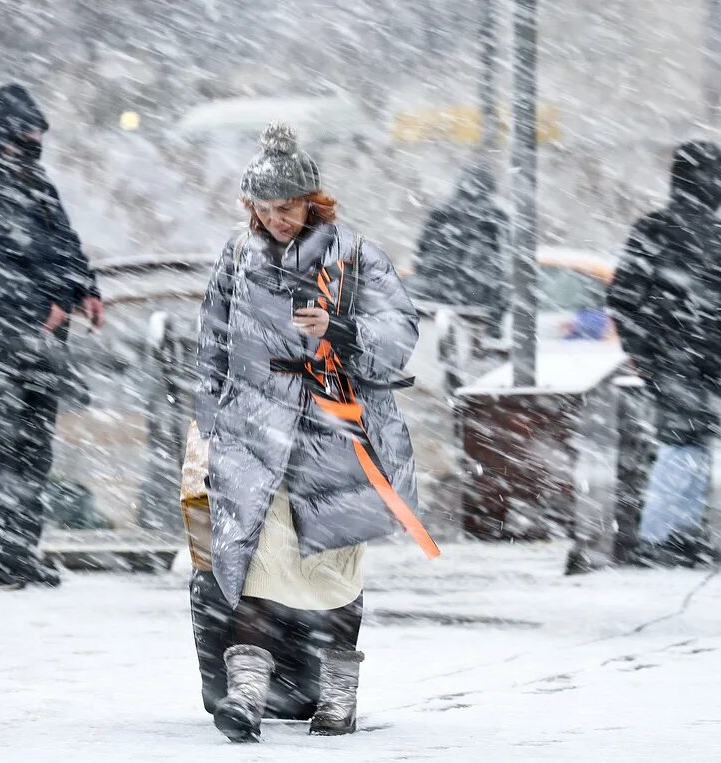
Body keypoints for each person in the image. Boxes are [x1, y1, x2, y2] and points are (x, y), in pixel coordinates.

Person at [195, 123, 422, 741]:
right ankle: (245, 696)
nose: (275, 221)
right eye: (263, 210)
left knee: (334, 569)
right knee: (251, 557)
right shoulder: (236, 257)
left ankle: (338, 694)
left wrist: (339, 330)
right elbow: (213, 341)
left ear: (313, 202)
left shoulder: (355, 255)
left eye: (287, 208)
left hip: (335, 429)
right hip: (254, 429)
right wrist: (208, 422)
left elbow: (400, 333)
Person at [0, 84, 104, 590]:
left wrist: (84, 288)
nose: (31, 143)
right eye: (23, 135)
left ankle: (16, 553)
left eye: (35, 135)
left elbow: (63, 245)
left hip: (34, 339)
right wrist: (40, 307)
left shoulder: (37, 184)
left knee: (31, 448)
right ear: (1, 134)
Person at [607, 141, 721, 566]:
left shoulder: (657, 227)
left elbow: (624, 293)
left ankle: (677, 533)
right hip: (691, 352)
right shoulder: (699, 230)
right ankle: (662, 537)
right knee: (684, 444)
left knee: (690, 442)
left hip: (680, 352)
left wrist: (640, 346)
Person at [409, 163, 509, 333]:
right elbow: (504, 262)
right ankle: (489, 342)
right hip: (477, 295)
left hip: (433, 289)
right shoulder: (495, 217)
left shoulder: (441, 213)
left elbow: (420, 254)